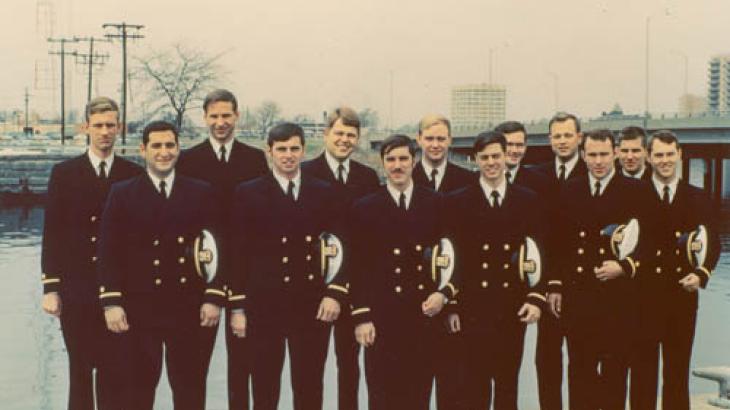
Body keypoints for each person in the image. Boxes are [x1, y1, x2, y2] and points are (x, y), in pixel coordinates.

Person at [98, 121, 225, 410]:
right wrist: (111, 302)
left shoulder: (201, 191)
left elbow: (218, 247)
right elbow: (108, 251)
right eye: (156, 145)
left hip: (190, 309)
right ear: (143, 150)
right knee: (138, 392)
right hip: (140, 310)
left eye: (170, 145)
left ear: (179, 149)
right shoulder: (123, 193)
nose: (164, 152)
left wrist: (214, 296)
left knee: (190, 392)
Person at [228, 123, 345, 410]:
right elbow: (237, 254)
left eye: (294, 148)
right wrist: (238, 307)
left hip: (311, 304)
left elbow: (341, 245)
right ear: (269, 152)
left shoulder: (325, 192)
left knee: (309, 385)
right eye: (281, 149)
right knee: (265, 387)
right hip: (264, 305)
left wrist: (334, 293)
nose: (288, 155)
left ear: (304, 150)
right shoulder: (248, 192)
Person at [41, 96, 142, 410]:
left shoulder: (133, 173)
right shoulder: (64, 173)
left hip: (120, 291)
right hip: (77, 290)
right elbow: (53, 233)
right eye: (98, 125)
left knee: (117, 372)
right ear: (85, 128)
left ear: (120, 127)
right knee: (80, 371)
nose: (105, 132)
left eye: (111, 125)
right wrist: (51, 287)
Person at [349, 134, 457, 409]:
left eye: (403, 159)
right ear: (382, 163)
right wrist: (361, 316)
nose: (397, 166)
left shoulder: (436, 203)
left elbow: (453, 255)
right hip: (382, 319)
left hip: (423, 315)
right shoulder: (364, 207)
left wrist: (444, 294)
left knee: (418, 394)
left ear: (414, 160)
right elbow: (357, 266)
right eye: (391, 160)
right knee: (381, 396)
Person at [177, 88, 268, 410]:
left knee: (243, 367)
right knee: (193, 367)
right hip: (202, 275)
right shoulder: (187, 160)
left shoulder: (255, 159)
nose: (220, 122)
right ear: (204, 118)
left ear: (237, 116)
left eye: (226, 116)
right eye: (214, 116)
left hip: (246, 275)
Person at [444, 131, 545, 410]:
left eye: (496, 156)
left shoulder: (527, 199)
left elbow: (538, 250)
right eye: (484, 157)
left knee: (507, 385)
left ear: (506, 157)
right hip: (471, 308)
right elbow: (452, 257)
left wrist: (535, 298)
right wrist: (451, 304)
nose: (491, 162)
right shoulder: (457, 201)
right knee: (473, 386)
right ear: (475, 160)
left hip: (511, 306)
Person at [553, 129, 649, 410]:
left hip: (617, 297)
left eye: (604, 154)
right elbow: (559, 241)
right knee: (579, 369)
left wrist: (624, 266)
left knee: (614, 372)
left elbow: (653, 239)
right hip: (578, 296)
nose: (598, 161)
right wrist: (556, 284)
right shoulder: (571, 189)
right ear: (583, 155)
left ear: (616, 154)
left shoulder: (636, 191)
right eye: (592, 155)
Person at [630, 130, 720, 410]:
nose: (665, 160)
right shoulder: (634, 195)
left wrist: (702, 273)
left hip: (682, 295)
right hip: (643, 297)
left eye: (670, 154)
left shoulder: (698, 197)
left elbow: (713, 241)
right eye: (658, 155)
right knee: (642, 373)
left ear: (679, 155)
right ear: (648, 157)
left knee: (677, 373)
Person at [301, 106, 380, 410]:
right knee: (310, 369)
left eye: (351, 135)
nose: (345, 140)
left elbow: (369, 241)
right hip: (314, 290)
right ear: (326, 134)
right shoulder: (305, 173)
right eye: (339, 133)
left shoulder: (368, 177)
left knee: (350, 367)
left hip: (354, 289)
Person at [532, 112, 587, 410]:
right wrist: (549, 282)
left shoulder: (592, 171)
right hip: (546, 284)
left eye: (568, 135)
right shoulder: (536, 175)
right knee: (547, 358)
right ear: (549, 140)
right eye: (557, 136)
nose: (563, 141)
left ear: (579, 137)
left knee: (581, 358)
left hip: (581, 283)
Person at [414, 113, 475, 192]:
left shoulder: (468, 179)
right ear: (419, 140)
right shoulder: (407, 179)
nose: (435, 145)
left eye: (441, 139)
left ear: (450, 140)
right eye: (429, 139)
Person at [494, 120, 549, 195]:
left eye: (519, 145)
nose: (514, 150)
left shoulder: (541, 182)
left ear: (525, 147)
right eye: (509, 145)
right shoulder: (480, 180)